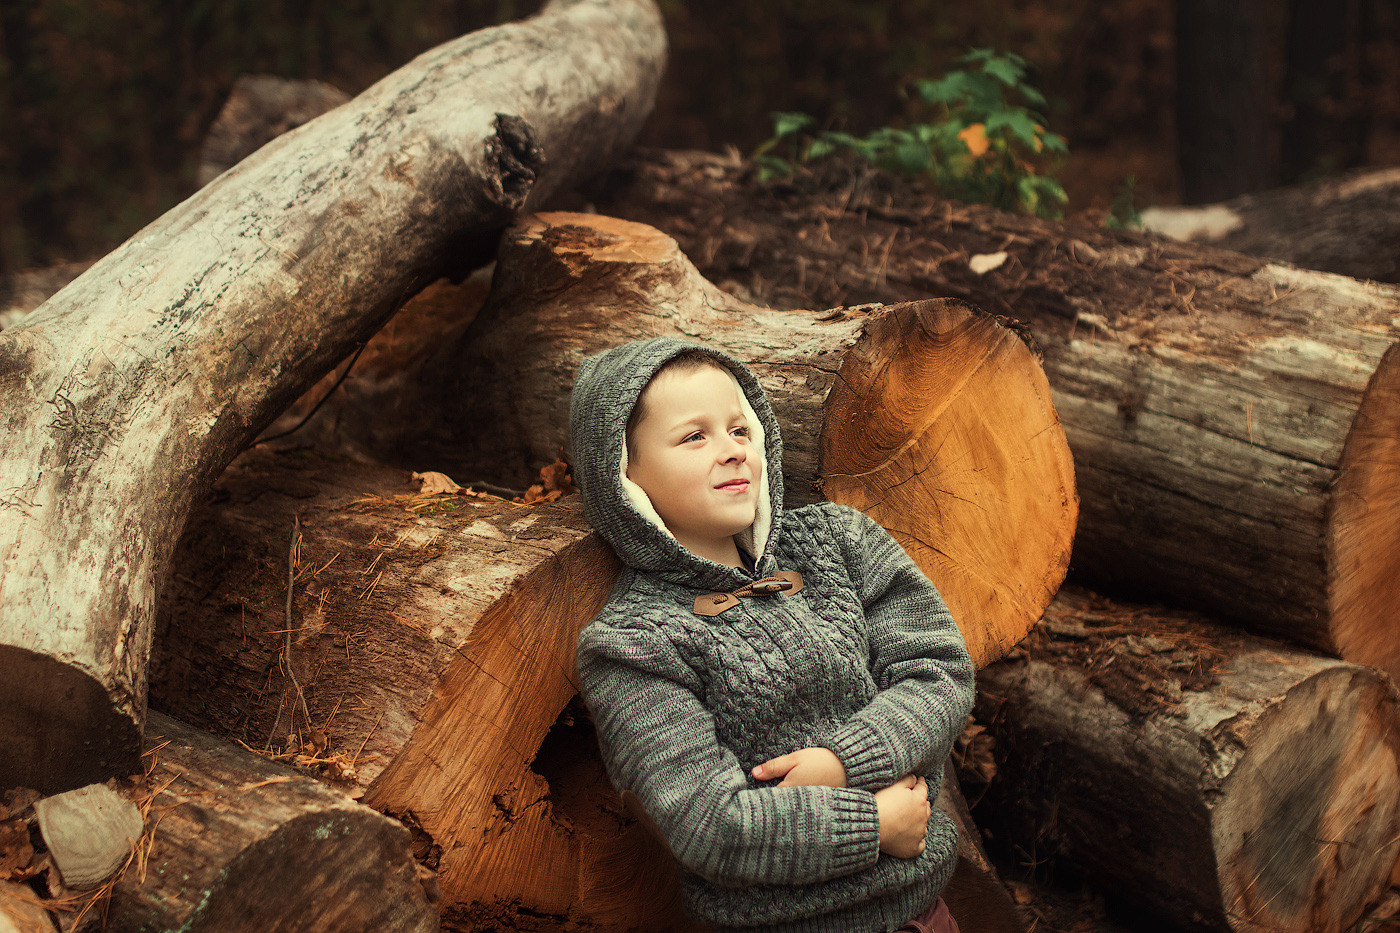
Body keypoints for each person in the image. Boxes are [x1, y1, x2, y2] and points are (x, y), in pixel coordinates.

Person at [570, 337, 975, 933]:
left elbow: (938, 670)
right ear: (622, 472)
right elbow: (711, 825)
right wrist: (873, 824)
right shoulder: (634, 643)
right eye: (694, 436)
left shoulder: (839, 541)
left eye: (740, 429)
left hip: (926, 911)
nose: (732, 452)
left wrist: (843, 762)